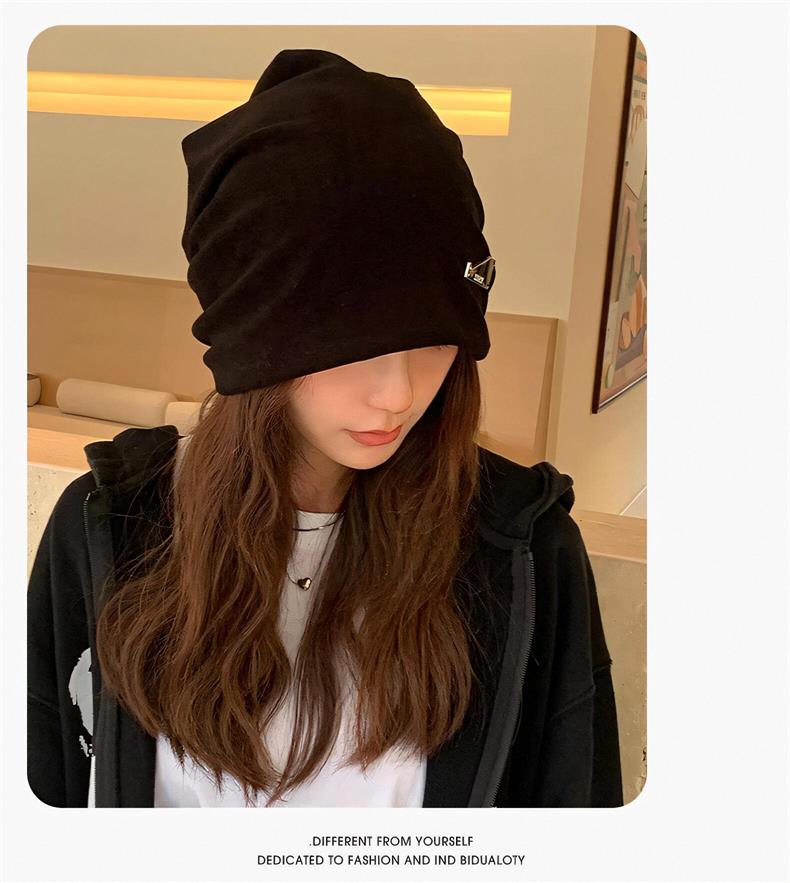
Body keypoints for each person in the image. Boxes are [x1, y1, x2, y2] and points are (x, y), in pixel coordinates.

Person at [27, 48, 623, 809]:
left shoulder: (525, 551)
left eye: (436, 337)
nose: (398, 393)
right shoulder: (109, 527)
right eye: (353, 347)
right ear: (255, 340)